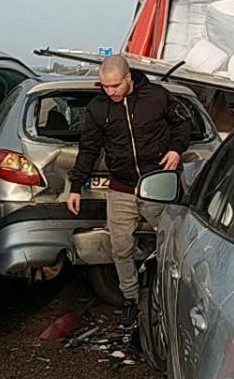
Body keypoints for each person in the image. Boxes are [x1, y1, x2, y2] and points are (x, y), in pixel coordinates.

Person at [67, 54, 191, 327]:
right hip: (121, 188)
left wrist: (176, 149)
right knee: (120, 249)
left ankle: (178, 297)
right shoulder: (98, 109)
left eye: (115, 86)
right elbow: (88, 148)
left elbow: (184, 122)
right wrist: (76, 186)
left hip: (157, 185)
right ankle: (132, 301)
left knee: (174, 243)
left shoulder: (157, 96)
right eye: (104, 87)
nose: (110, 92)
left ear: (128, 78)